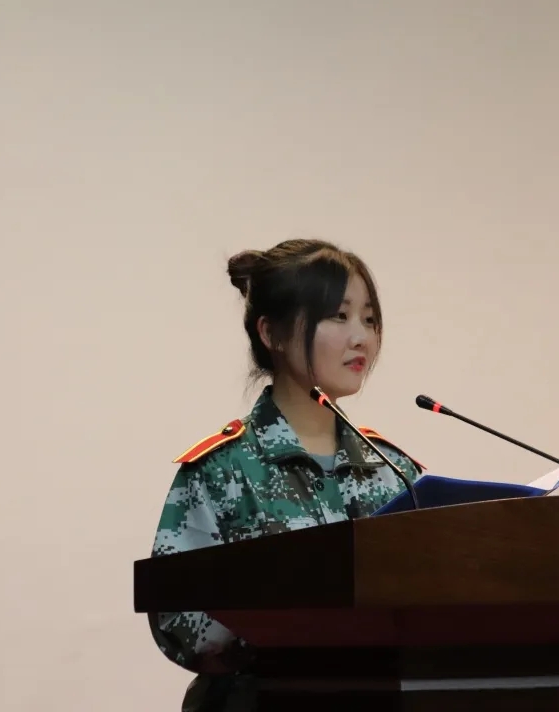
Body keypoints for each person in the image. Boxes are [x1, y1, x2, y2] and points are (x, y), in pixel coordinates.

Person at [146, 239, 425, 711]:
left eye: (369, 319)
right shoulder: (222, 469)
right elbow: (178, 616)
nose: (360, 337)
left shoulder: (393, 470)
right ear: (271, 332)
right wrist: (287, 624)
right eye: (338, 316)